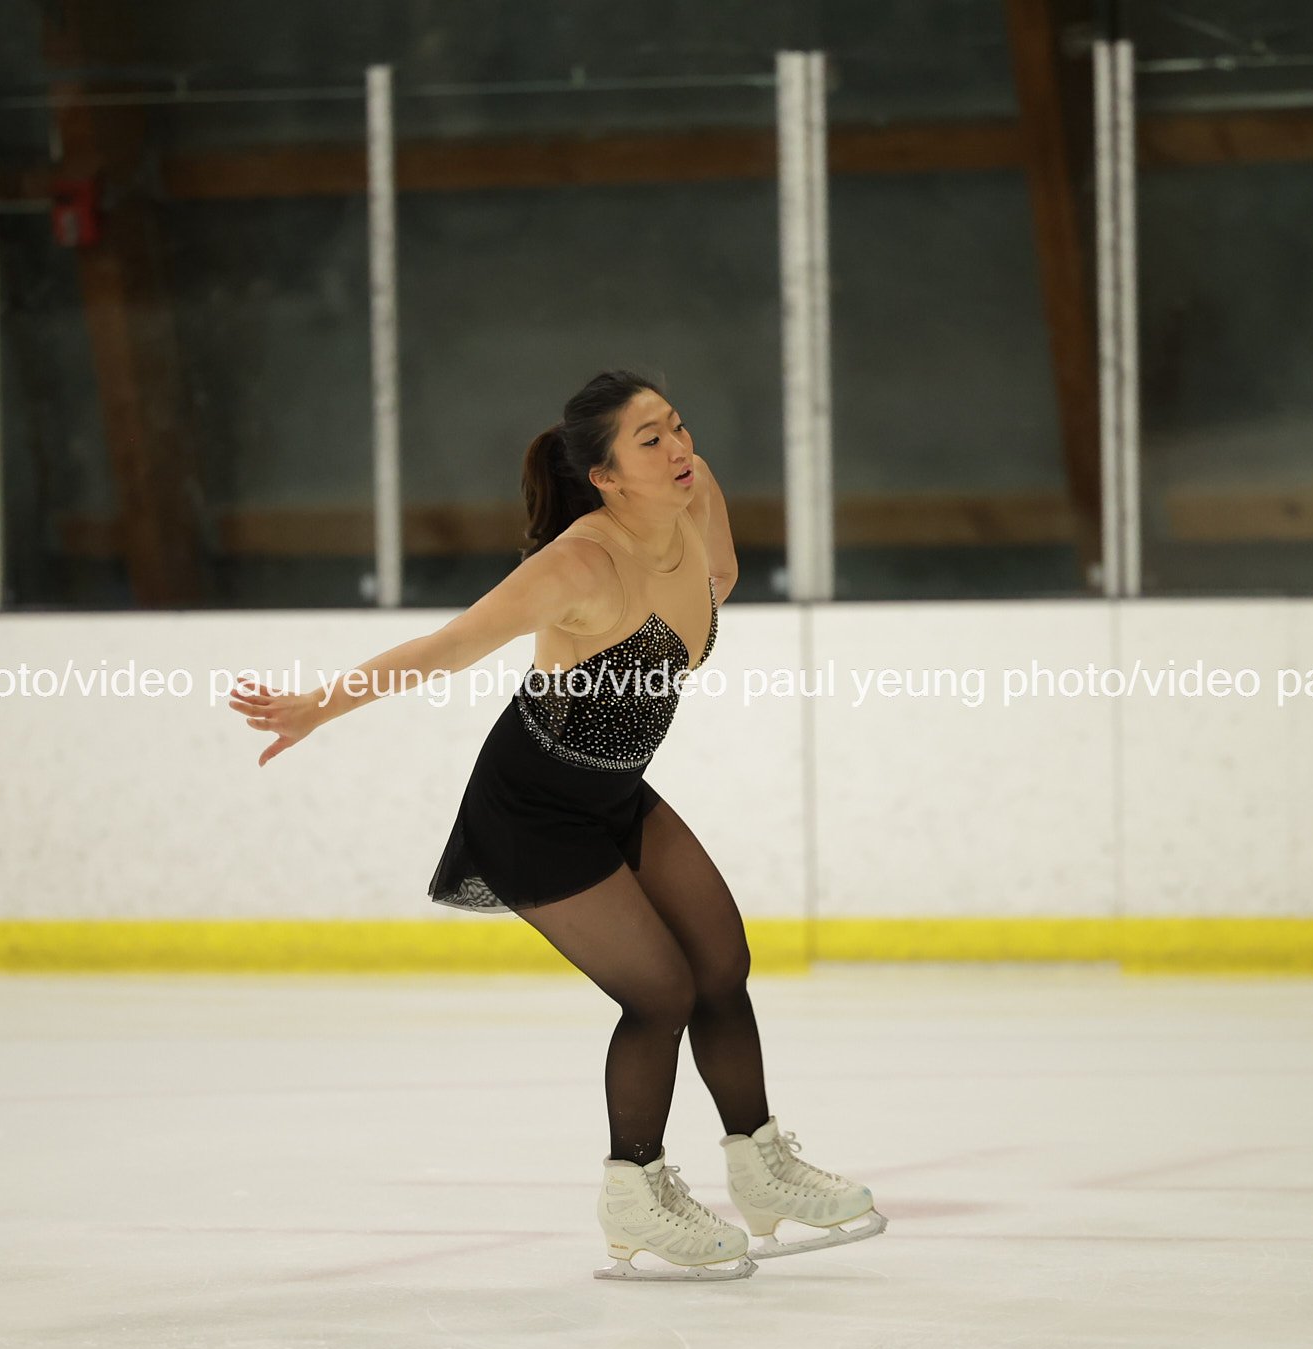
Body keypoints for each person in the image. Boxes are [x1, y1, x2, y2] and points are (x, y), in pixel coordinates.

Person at [228, 369, 887, 1282]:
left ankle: (763, 1170)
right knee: (660, 991)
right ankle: (635, 1194)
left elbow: (719, 578)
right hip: (531, 809)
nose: (679, 447)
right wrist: (316, 706)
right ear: (605, 476)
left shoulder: (695, 495)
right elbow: (446, 647)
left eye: (677, 425)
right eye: (650, 440)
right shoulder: (577, 566)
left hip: (615, 791)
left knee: (721, 963)